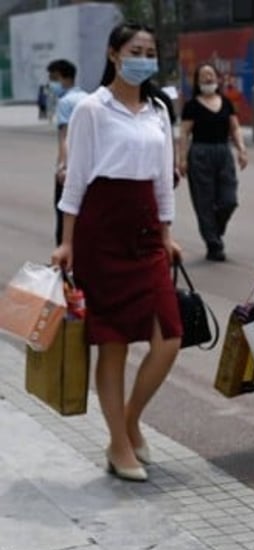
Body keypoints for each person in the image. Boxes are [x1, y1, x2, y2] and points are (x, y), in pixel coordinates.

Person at [51, 22, 182, 483]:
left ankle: (127, 422)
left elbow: (164, 179)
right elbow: (77, 178)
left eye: (149, 51)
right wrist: (66, 240)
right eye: (134, 50)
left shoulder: (159, 110)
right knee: (113, 342)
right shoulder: (92, 108)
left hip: (146, 228)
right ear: (113, 54)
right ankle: (119, 443)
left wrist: (167, 234)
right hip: (101, 230)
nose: (142, 58)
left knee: (169, 337)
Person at [179, 62, 248, 261]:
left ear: (218, 79)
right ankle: (213, 244)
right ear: (197, 81)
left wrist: (241, 150)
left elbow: (234, 128)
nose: (208, 78)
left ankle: (214, 230)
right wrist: (182, 159)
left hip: (223, 152)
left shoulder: (226, 103)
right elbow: (184, 133)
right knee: (204, 201)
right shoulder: (192, 106)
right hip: (200, 153)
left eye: (211, 75)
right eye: (204, 75)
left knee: (229, 200)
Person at [48, 59, 89, 246]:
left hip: (71, 168)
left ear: (66, 78)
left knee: (64, 215)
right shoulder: (88, 98)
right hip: (89, 166)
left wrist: (63, 166)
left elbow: (64, 137)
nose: (51, 83)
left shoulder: (65, 102)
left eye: (54, 78)